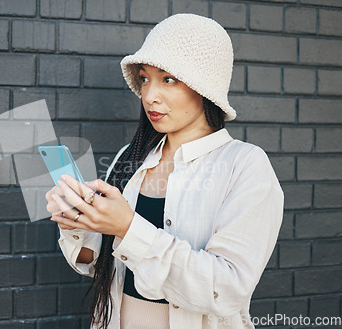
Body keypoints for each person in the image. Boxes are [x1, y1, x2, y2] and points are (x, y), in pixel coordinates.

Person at [45, 13, 284, 329]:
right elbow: (98, 265)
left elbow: (226, 290)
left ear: (205, 86)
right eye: (144, 78)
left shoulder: (245, 166)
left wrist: (129, 228)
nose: (149, 95)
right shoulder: (131, 157)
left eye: (168, 79)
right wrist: (75, 221)